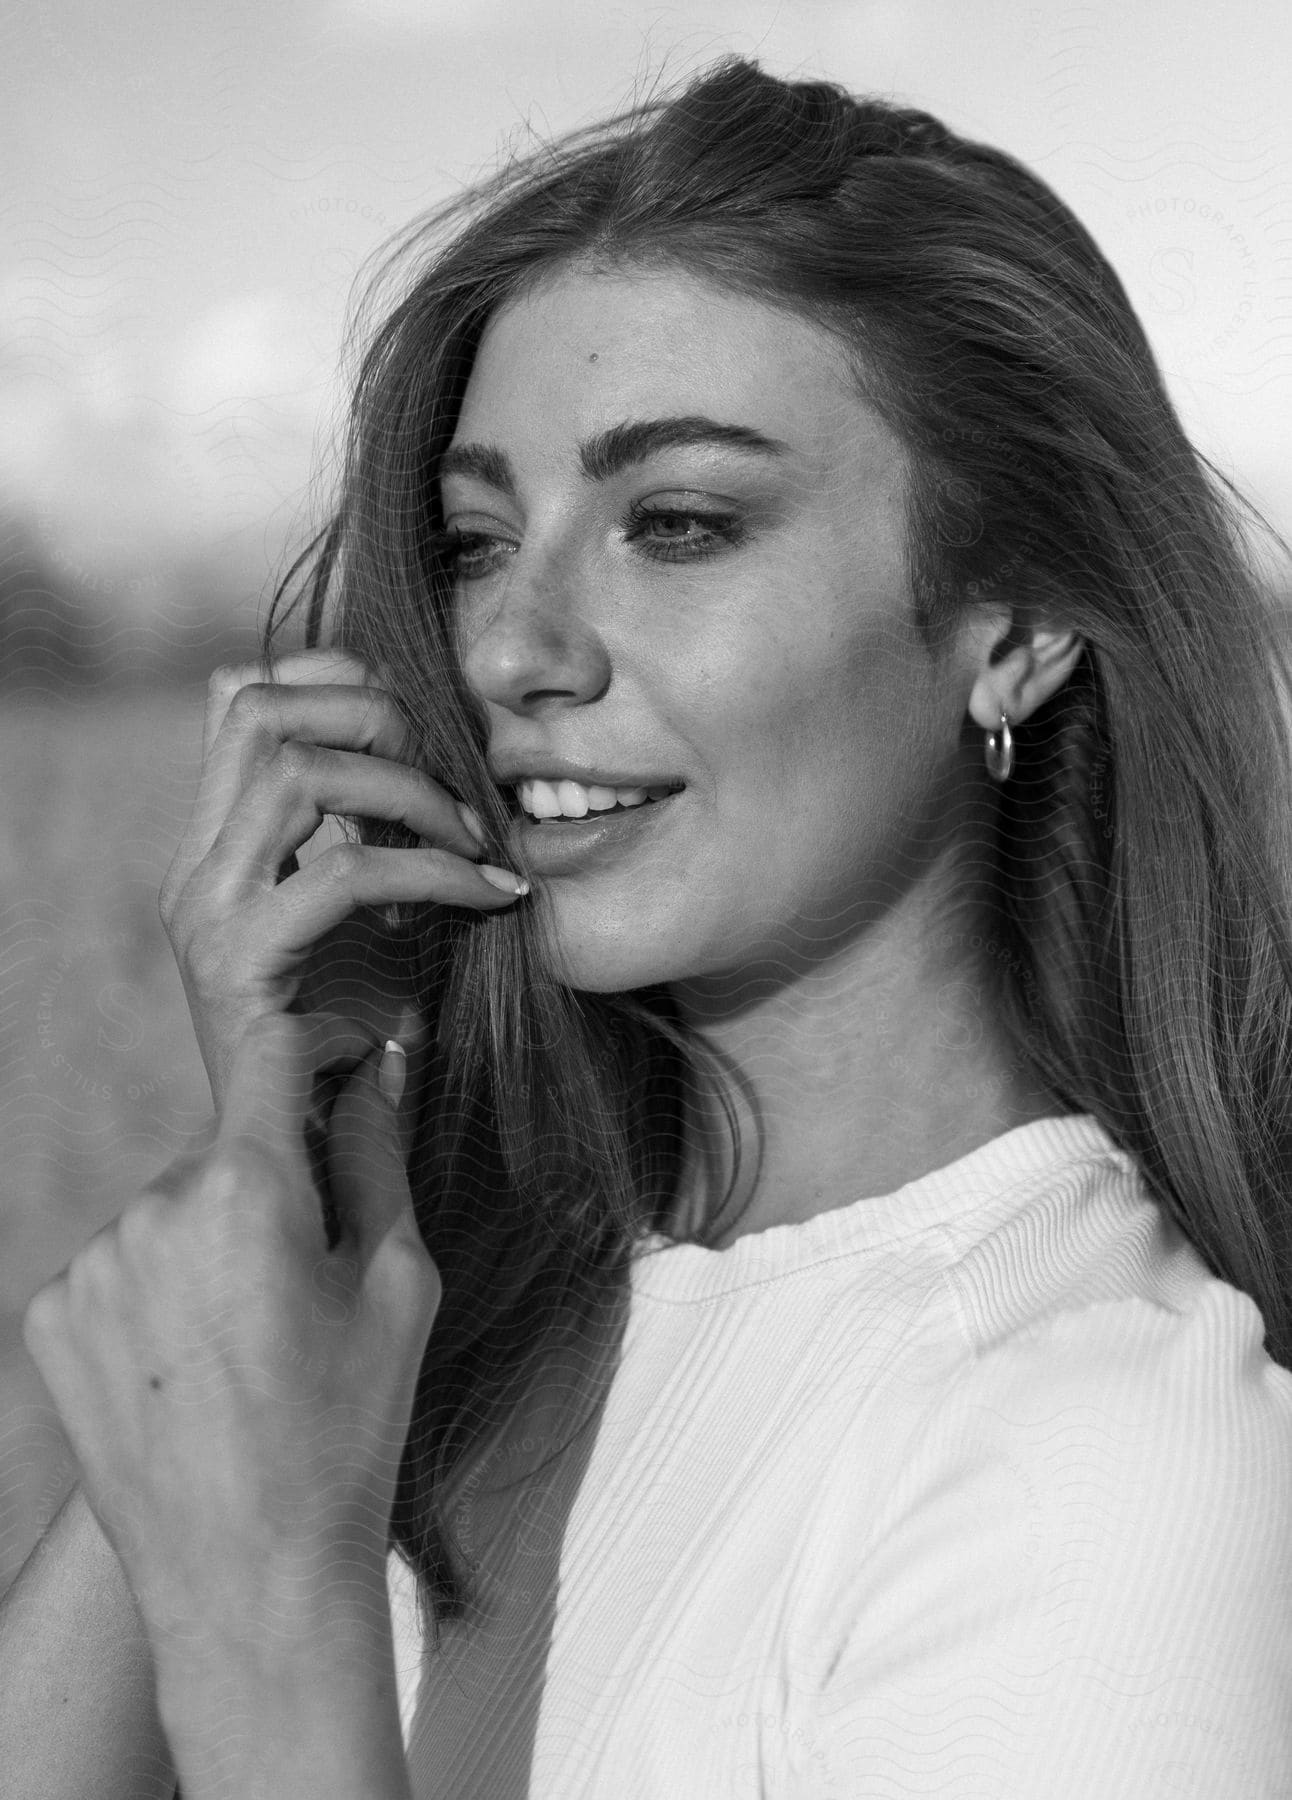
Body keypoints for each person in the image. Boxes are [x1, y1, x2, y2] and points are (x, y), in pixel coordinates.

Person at [3, 53, 1292, 1800]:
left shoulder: (1114, 1461)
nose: (514, 649)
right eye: (474, 541)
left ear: (1017, 626)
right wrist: (289, 1142)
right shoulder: (457, 1329)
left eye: (677, 523)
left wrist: (261, 1612)